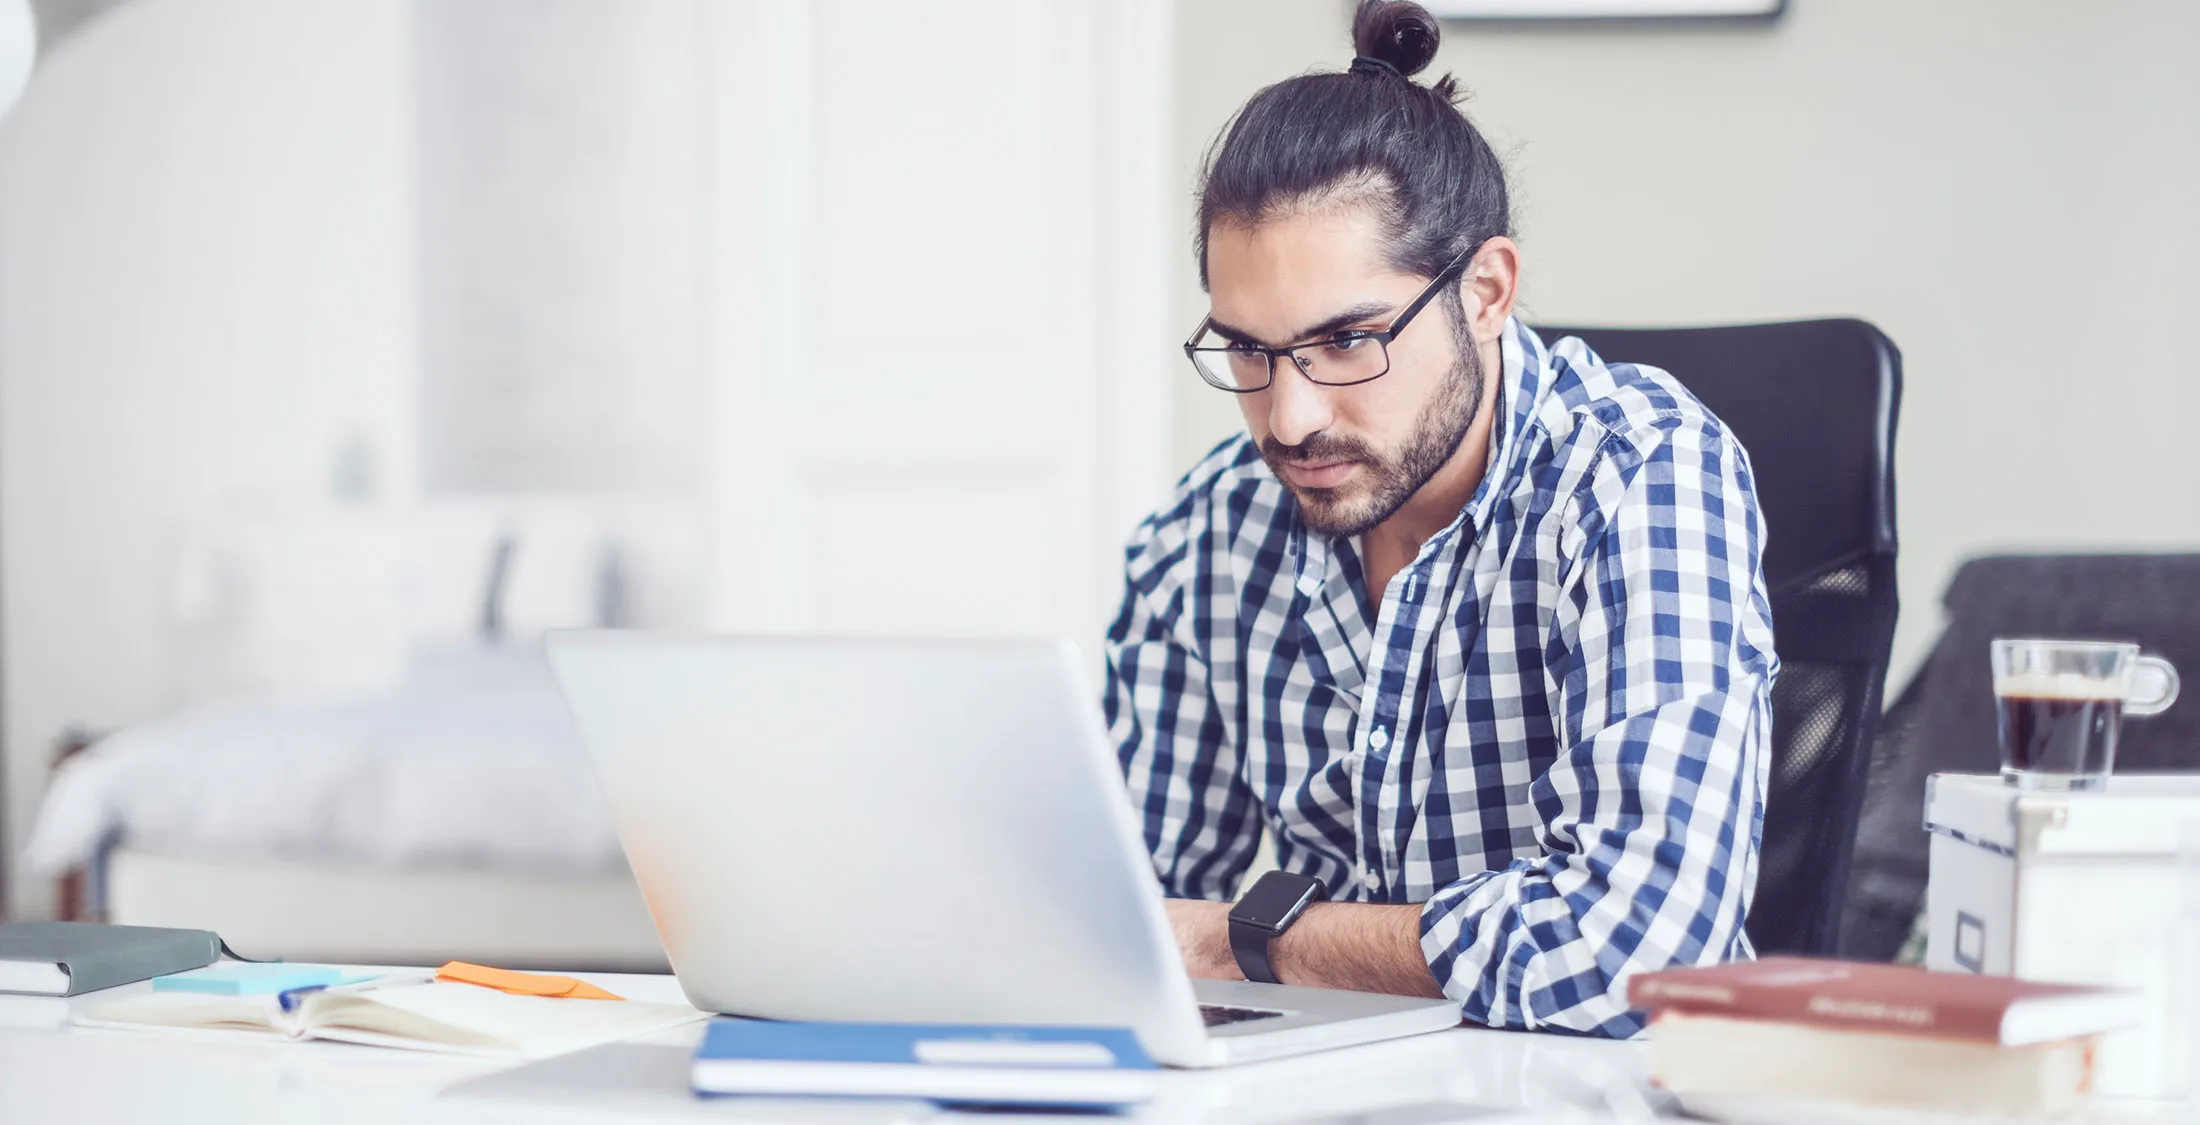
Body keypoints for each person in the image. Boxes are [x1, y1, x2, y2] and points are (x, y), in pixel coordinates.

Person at [1101, 0, 1776, 1038]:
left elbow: (1640, 951)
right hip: (1315, 1088)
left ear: (1487, 291)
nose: (1288, 417)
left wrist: (1247, 938)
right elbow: (1107, 910)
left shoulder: (1639, 471)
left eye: (1345, 341)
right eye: (1247, 350)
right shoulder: (1210, 531)